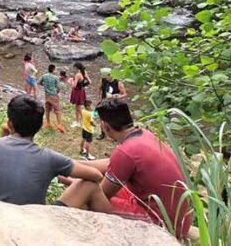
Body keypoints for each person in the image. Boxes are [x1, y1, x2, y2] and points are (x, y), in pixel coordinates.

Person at [63, 99, 191, 238]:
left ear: (105, 126)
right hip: (179, 217)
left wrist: (66, 179)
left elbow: (100, 194)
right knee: (96, 182)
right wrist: (68, 164)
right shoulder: (144, 135)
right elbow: (111, 164)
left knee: (87, 193)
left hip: (162, 224)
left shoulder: (125, 153)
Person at [0, 95, 104, 206]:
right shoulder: (49, 158)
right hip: (33, 218)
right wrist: (62, 171)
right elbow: (97, 175)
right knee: (90, 185)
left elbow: (8, 158)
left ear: (10, 123)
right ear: (40, 126)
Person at [97, 71, 127, 139]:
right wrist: (98, 98)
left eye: (108, 76)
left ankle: (115, 135)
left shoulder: (118, 83)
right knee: (102, 119)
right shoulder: (103, 80)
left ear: (112, 75)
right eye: (106, 75)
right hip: (104, 102)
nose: (107, 77)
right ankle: (103, 134)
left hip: (113, 104)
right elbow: (99, 89)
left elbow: (125, 94)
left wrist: (115, 96)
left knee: (114, 120)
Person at [39, 64, 64, 133]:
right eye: (56, 69)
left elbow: (39, 82)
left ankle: (48, 123)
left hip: (47, 95)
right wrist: (56, 92)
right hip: (54, 95)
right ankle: (59, 125)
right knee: (57, 111)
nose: (56, 71)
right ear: (53, 70)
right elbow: (58, 87)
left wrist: (45, 86)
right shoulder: (56, 78)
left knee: (47, 110)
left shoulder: (44, 76)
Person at [70, 62, 90, 128]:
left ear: (76, 68)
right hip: (81, 91)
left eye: (74, 67)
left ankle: (81, 121)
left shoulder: (78, 74)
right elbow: (89, 81)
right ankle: (79, 121)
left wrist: (71, 81)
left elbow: (74, 85)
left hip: (77, 92)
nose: (73, 69)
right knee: (78, 107)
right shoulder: (84, 72)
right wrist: (82, 85)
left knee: (78, 108)